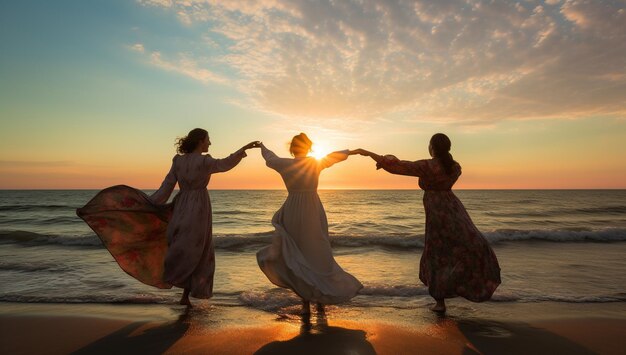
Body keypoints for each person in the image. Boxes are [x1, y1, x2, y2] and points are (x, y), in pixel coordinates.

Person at [77, 128, 260, 306]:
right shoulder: (204, 161)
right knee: (196, 249)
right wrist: (243, 150)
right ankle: (177, 283)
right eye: (207, 139)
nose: (210, 143)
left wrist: (151, 203)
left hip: (181, 205)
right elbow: (224, 164)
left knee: (183, 245)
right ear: (200, 141)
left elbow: (167, 186)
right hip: (199, 207)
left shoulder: (178, 161)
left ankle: (183, 293)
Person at [355, 133, 500, 313]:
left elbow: (398, 166)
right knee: (466, 244)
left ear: (432, 148)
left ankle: (440, 303)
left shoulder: (428, 166)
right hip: (454, 209)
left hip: (436, 212)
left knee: (437, 253)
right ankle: (468, 284)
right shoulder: (455, 167)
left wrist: (369, 153)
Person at [257, 133, 363, 316]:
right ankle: (321, 299)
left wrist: (261, 146)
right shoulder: (313, 163)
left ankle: (306, 301)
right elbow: (334, 157)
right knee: (318, 253)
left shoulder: (284, 164)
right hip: (312, 209)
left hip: (293, 209)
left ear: (292, 148)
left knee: (298, 254)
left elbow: (270, 158)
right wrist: (353, 151)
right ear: (308, 147)